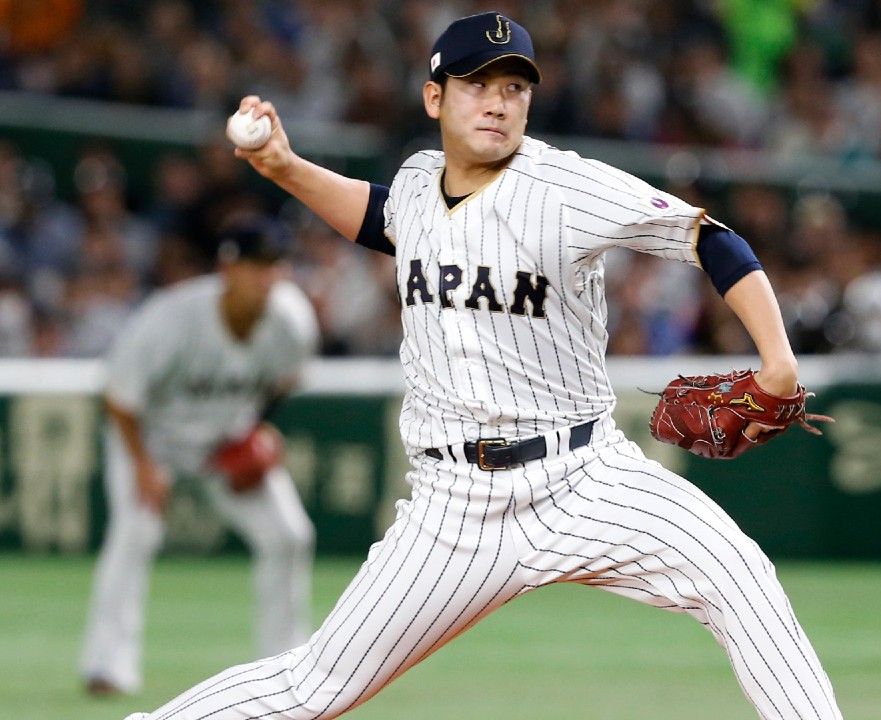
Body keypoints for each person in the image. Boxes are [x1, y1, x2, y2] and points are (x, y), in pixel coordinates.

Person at [124, 11, 842, 720]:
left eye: (515, 87)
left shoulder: (564, 188)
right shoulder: (416, 181)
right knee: (314, 687)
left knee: (739, 577)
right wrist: (282, 166)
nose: (498, 101)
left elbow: (709, 238)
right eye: (477, 83)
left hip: (584, 478)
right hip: (453, 507)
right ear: (435, 97)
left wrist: (777, 363)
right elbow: (382, 218)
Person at [82, 219, 318, 697]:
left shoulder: (292, 322)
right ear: (227, 269)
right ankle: (108, 666)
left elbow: (286, 379)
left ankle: (286, 666)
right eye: (254, 266)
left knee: (290, 534)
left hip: (222, 441)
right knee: (135, 533)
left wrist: (259, 427)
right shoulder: (173, 317)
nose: (265, 278)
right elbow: (119, 397)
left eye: (274, 266)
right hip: (152, 440)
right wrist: (144, 466)